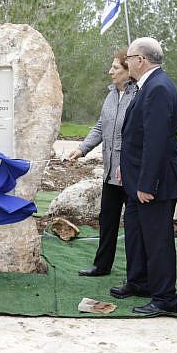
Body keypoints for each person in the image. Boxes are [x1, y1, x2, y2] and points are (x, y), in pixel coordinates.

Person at [109, 37, 177, 316]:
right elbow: (137, 136)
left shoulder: (159, 88)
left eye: (128, 58)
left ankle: (165, 297)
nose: (126, 62)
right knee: (137, 234)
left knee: (157, 239)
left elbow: (157, 141)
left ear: (141, 60)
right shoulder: (146, 86)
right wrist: (126, 167)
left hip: (155, 182)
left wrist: (146, 183)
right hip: (136, 177)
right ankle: (139, 281)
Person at [67, 49, 136, 277]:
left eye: (115, 68)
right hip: (109, 172)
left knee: (134, 225)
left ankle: (135, 274)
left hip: (130, 172)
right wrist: (82, 148)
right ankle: (102, 265)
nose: (110, 72)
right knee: (107, 219)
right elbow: (100, 126)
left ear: (128, 70)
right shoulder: (110, 95)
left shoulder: (138, 95)